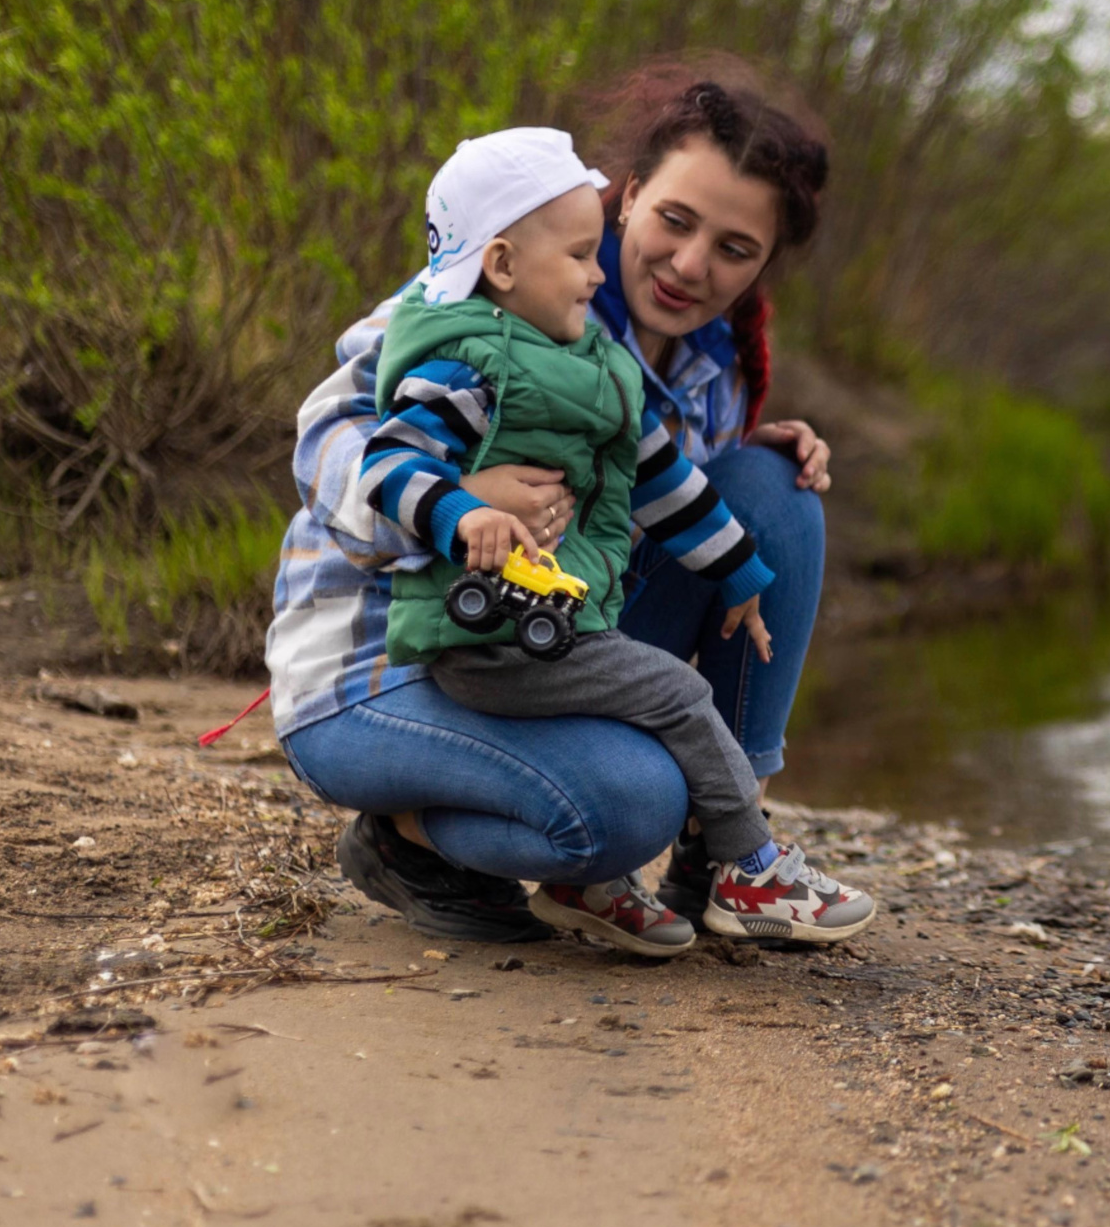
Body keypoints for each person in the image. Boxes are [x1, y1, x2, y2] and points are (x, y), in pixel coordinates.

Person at [270, 63, 865, 951]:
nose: (692, 264)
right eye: (675, 220)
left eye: (736, 249)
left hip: (546, 638)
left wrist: (741, 455)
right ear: (627, 198)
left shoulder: (711, 369)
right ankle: (405, 840)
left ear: (765, 264)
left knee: (773, 493)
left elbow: (651, 508)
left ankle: (727, 853)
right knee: (629, 808)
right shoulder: (490, 300)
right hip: (390, 661)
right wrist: (456, 500)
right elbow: (325, 438)